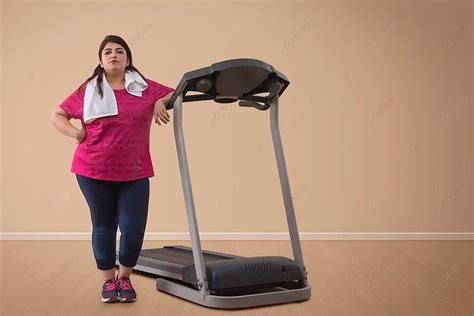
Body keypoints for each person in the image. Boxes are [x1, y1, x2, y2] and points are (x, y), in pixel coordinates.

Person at [50, 35, 174, 303]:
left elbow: (174, 92)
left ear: (128, 58)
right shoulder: (88, 90)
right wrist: (76, 134)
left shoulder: (143, 88)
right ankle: (108, 282)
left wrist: (158, 102)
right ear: (101, 60)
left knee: (133, 227)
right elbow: (56, 115)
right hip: (92, 170)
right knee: (104, 226)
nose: (113, 55)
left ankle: (125, 278)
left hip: (135, 171)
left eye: (119, 51)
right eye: (108, 51)